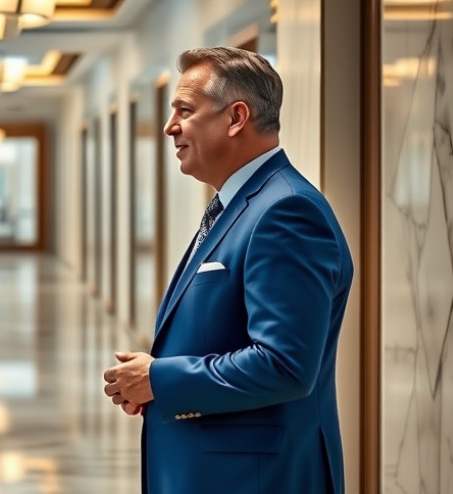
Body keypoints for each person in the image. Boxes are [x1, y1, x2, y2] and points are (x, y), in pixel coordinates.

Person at [103, 47, 353, 493]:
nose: (170, 126)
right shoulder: (239, 204)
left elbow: (285, 364)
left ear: (236, 117)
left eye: (185, 110)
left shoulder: (286, 211)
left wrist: (158, 379)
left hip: (257, 479)